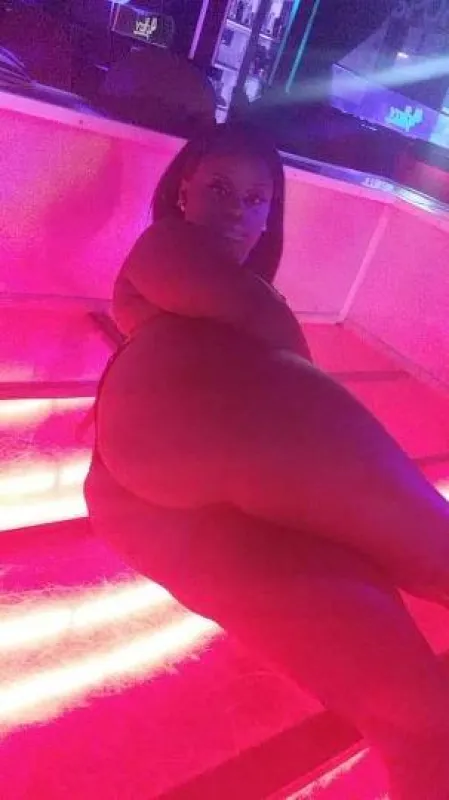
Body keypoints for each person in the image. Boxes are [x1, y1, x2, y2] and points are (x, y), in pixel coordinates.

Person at [85, 121, 449, 799]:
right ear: (184, 189)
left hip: (145, 501)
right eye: (221, 188)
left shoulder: (200, 289)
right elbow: (265, 332)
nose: (237, 210)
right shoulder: (168, 244)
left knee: (416, 715)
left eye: (256, 200)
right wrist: (295, 384)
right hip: (188, 443)